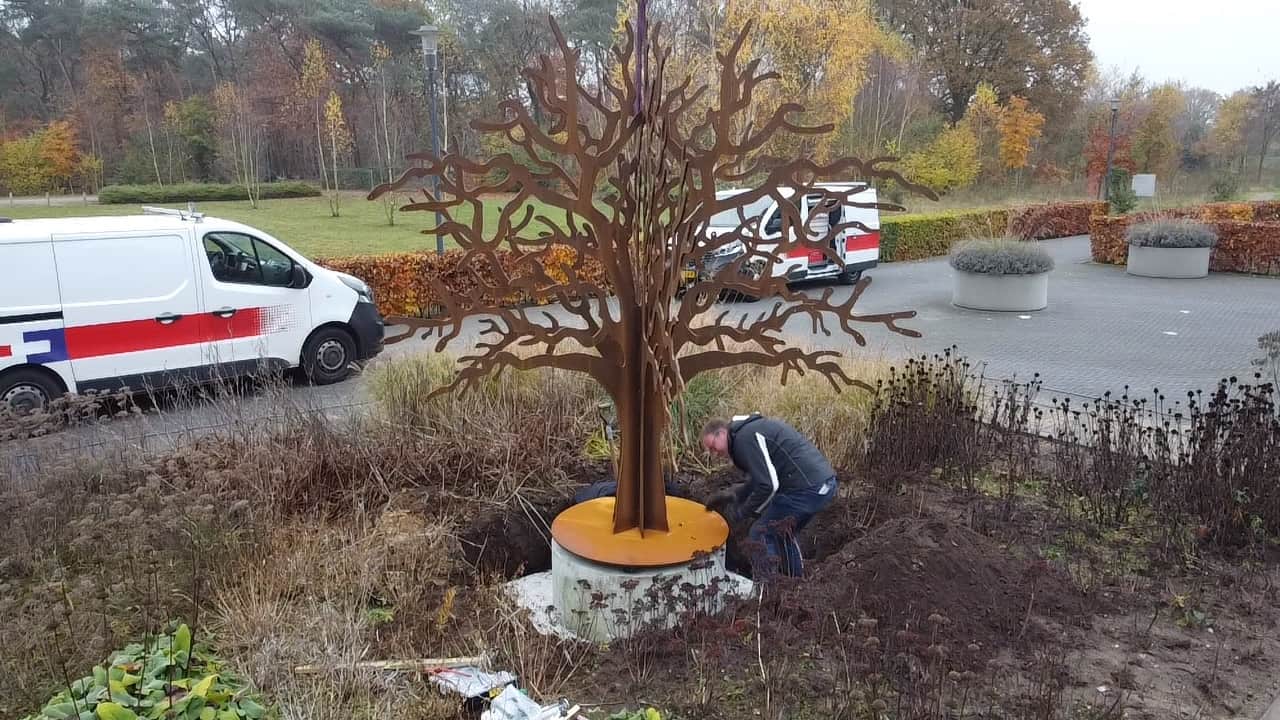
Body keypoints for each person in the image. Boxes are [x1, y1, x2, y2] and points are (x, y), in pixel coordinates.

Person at [701, 414, 838, 578]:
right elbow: (757, 479)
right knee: (782, 532)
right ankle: (795, 582)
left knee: (760, 533)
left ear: (721, 433)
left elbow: (768, 485)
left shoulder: (744, 440)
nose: (713, 453)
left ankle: (768, 588)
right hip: (821, 482)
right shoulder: (746, 433)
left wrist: (742, 513)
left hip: (807, 487)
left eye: (712, 446)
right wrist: (732, 495)